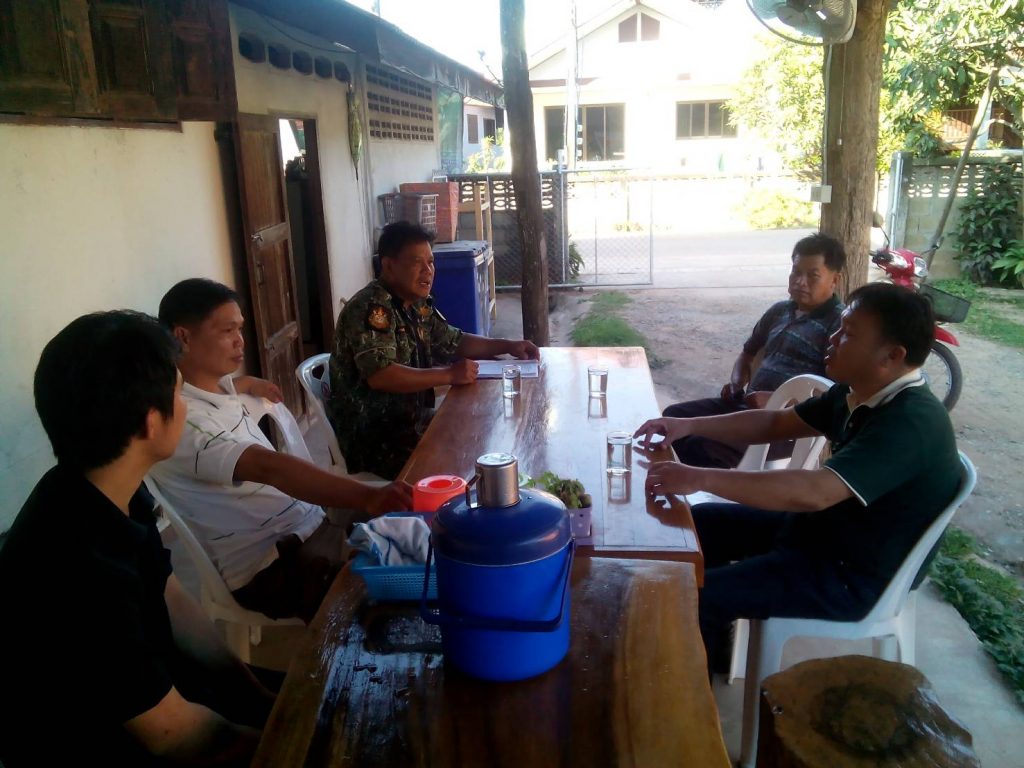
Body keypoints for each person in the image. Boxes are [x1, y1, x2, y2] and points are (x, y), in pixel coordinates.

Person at [635, 283, 961, 673]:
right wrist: (688, 426)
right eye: (838, 328)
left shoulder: (910, 423)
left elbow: (814, 492)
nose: (832, 339)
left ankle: (689, 694)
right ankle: (713, 650)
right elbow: (775, 422)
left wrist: (700, 478)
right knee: (696, 525)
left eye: (848, 334)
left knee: (697, 597)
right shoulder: (858, 392)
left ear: (892, 356)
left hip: (849, 573)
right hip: (820, 533)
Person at [0, 311, 275, 767]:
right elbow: (175, 736)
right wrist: (287, 738)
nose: (184, 405)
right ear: (151, 422)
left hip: (163, 694)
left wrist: (258, 695)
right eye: (178, 392)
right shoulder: (75, 569)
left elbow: (170, 596)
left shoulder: (104, 485)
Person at [151, 278, 413, 624]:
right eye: (227, 330)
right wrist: (368, 496)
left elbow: (230, 390)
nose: (240, 341)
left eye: (240, 328)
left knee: (419, 543)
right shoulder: (184, 421)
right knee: (400, 599)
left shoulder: (219, 388)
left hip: (309, 529)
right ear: (183, 337)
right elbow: (268, 467)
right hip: (272, 563)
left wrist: (249, 383)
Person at [329, 222, 540, 478]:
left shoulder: (415, 304)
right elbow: (381, 375)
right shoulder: (371, 308)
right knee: (469, 455)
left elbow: (454, 341)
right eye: (417, 263)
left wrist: (509, 346)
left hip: (411, 422)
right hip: (377, 439)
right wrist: (449, 375)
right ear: (388, 266)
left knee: (485, 428)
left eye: (430, 262)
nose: (427, 270)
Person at [662, 233, 846, 468]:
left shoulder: (839, 325)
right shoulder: (779, 311)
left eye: (813, 275)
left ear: (834, 280)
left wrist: (779, 400)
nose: (800, 282)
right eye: (796, 272)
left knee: (701, 445)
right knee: (672, 419)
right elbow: (747, 354)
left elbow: (837, 393)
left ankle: (709, 488)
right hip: (746, 406)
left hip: (789, 426)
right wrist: (737, 384)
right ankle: (689, 481)